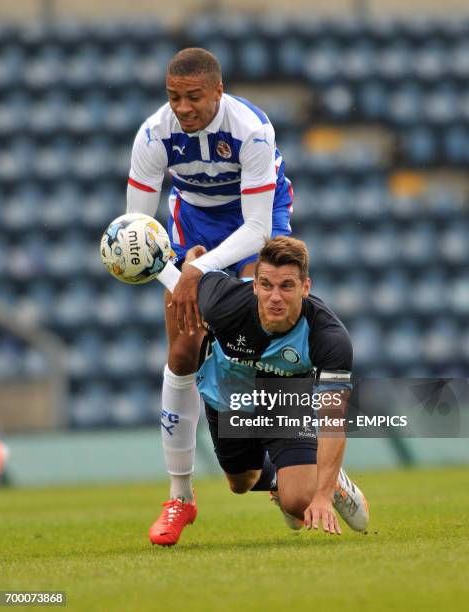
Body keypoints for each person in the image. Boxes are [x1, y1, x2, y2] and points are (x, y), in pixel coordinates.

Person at [126, 48, 293, 545]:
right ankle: (180, 498)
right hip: (191, 225)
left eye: (193, 97)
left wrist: (198, 268)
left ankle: (296, 469)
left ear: (218, 91)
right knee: (182, 352)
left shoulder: (251, 130)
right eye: (174, 97)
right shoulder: (154, 134)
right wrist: (175, 277)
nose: (182, 107)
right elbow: (139, 233)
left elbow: (259, 227)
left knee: (256, 349)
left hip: (253, 224)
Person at [155, 237, 369, 539]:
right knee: (241, 483)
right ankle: (282, 479)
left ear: (305, 287)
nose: (275, 297)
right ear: (254, 285)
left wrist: (321, 496)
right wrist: (189, 266)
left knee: (300, 503)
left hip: (285, 391)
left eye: (287, 286)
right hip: (230, 391)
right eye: (266, 285)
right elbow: (185, 284)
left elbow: (333, 420)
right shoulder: (222, 302)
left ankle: (330, 482)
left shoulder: (328, 336)